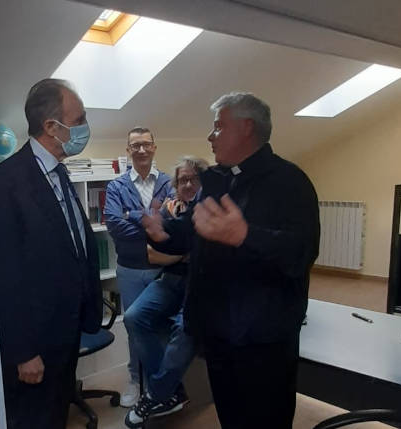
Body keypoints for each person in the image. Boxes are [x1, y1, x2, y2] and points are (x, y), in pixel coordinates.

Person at [143, 92, 320, 429]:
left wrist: (244, 235)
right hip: (218, 330)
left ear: (246, 127)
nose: (211, 137)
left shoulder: (289, 181)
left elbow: (301, 252)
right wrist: (162, 232)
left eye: (218, 127)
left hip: (263, 338)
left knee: (265, 420)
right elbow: (192, 229)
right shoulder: (216, 180)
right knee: (230, 416)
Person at [0, 79, 103, 429]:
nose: (85, 127)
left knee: (56, 415)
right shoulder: (7, 181)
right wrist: (23, 352)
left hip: (66, 329)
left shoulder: (59, 172)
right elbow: (4, 273)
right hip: (35, 342)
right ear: (52, 127)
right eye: (79, 120)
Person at [123, 156, 209, 428]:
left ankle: (156, 394)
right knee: (133, 316)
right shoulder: (168, 210)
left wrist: (178, 249)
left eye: (193, 179)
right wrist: (185, 252)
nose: (188, 184)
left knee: (186, 327)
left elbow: (204, 255)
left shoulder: (208, 210)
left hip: (200, 283)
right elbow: (152, 254)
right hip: (171, 279)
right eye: (182, 180)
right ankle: (171, 393)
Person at [104, 127, 174, 407]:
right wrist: (153, 224)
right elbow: (114, 224)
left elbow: (173, 223)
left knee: (162, 327)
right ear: (128, 150)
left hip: (163, 269)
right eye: (136, 145)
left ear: (154, 147)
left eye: (146, 144)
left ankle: (161, 384)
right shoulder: (116, 186)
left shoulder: (169, 183)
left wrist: (131, 214)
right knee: (135, 329)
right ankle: (136, 380)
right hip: (130, 270)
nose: (141, 150)